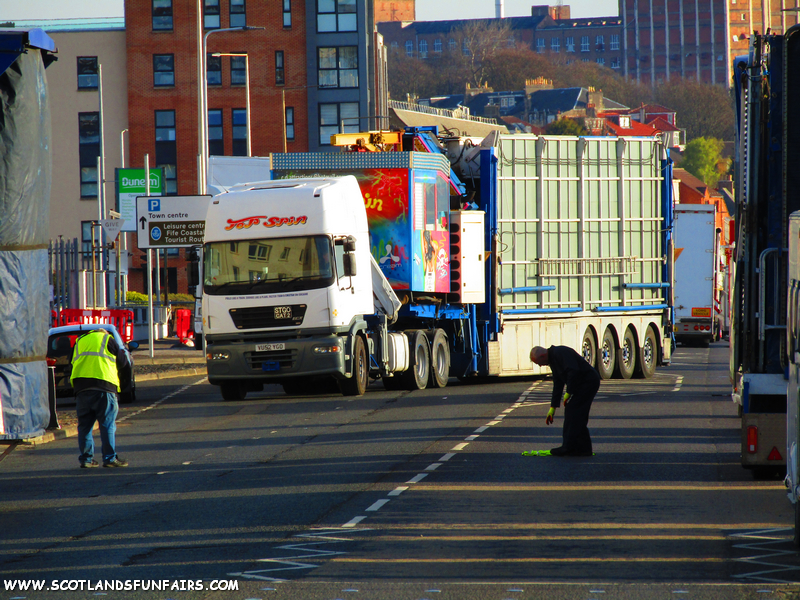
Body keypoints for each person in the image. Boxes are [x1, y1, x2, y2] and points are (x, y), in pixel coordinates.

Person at [70, 329, 131, 468]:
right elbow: (123, 363)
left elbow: (71, 363)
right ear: (104, 333)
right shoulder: (107, 339)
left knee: (84, 427)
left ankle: (86, 459)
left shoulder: (80, 341)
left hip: (81, 389)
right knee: (107, 425)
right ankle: (109, 458)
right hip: (104, 387)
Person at [530, 345, 600, 456]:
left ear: (543, 356)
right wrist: (552, 408)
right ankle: (579, 448)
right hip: (580, 384)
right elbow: (558, 383)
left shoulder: (560, 353)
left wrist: (569, 392)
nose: (540, 365)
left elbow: (573, 371)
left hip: (588, 382)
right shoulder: (553, 360)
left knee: (574, 412)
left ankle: (572, 447)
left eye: (538, 363)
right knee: (574, 413)